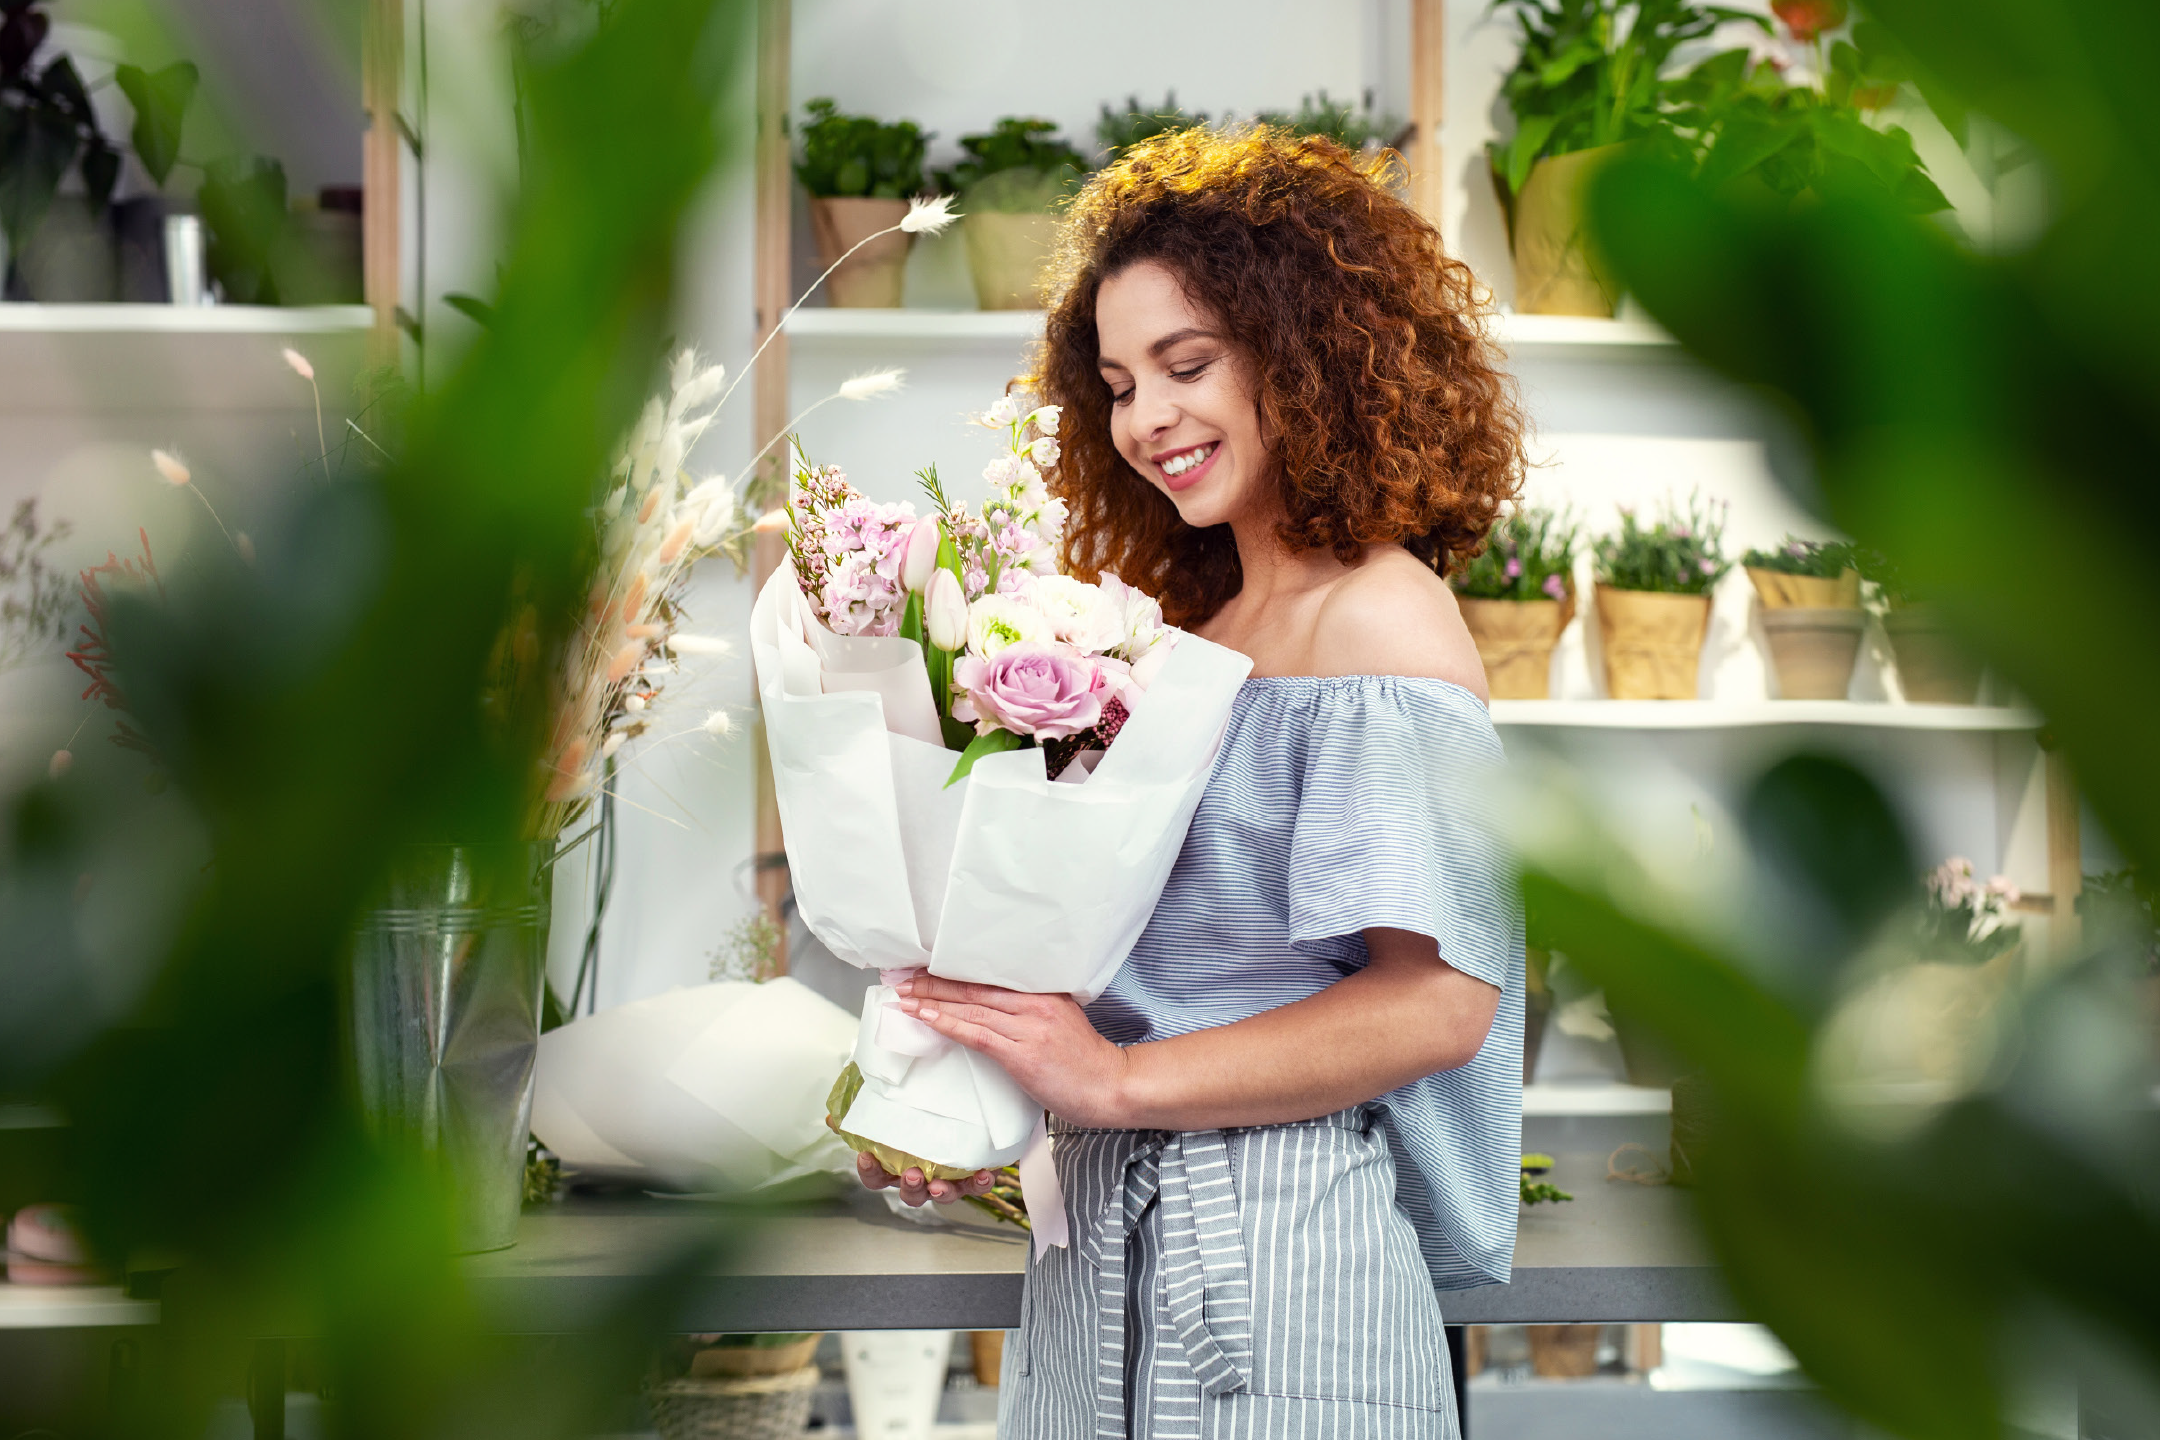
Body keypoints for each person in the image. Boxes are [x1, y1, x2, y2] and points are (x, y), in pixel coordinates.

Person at [859, 126, 1527, 1438]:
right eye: (1116, 382)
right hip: (1101, 1255)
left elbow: (1439, 1003)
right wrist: (967, 1095)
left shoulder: (1381, 624)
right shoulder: (1189, 637)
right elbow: (1144, 986)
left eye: (1188, 363)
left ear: (1308, 354)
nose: (1145, 417)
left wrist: (1109, 1085)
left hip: (1281, 1264)